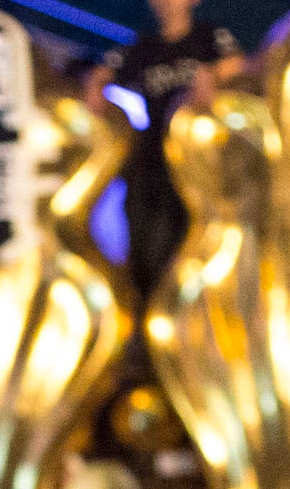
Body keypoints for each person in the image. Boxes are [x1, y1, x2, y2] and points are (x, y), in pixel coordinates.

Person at [88, 0, 249, 292]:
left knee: (193, 240)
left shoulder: (209, 38)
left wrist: (213, 77)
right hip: (152, 160)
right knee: (145, 244)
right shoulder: (142, 47)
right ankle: (145, 308)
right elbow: (102, 74)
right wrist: (96, 91)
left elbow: (238, 67)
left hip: (197, 162)